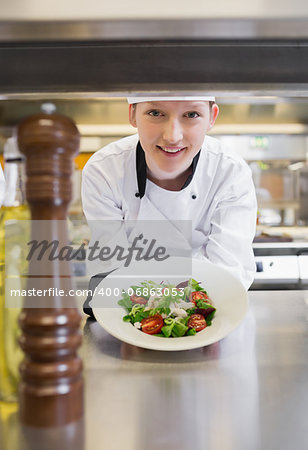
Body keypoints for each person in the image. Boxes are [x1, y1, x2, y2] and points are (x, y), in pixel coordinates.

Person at [82, 96, 257, 317]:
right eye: (155, 113)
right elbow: (111, 268)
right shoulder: (104, 170)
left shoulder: (230, 172)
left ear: (211, 117)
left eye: (191, 114)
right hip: (128, 317)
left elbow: (229, 272)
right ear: (132, 115)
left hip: (208, 314)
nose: (172, 136)